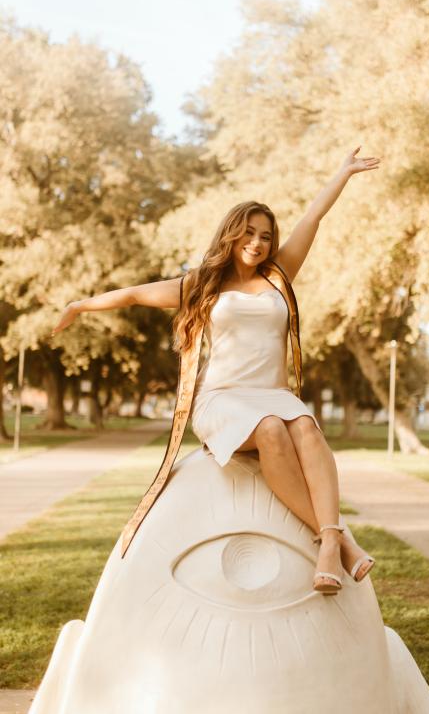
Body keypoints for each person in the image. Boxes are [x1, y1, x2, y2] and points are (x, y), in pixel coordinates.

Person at [52, 145, 381, 594]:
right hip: (222, 398)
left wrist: (342, 172)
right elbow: (132, 295)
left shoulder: (278, 276)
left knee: (304, 424)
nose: (257, 242)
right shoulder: (201, 283)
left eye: (265, 235)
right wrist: (79, 305)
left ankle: (329, 543)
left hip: (274, 393)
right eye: (248, 232)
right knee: (270, 429)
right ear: (230, 234)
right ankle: (339, 541)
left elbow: (312, 219)